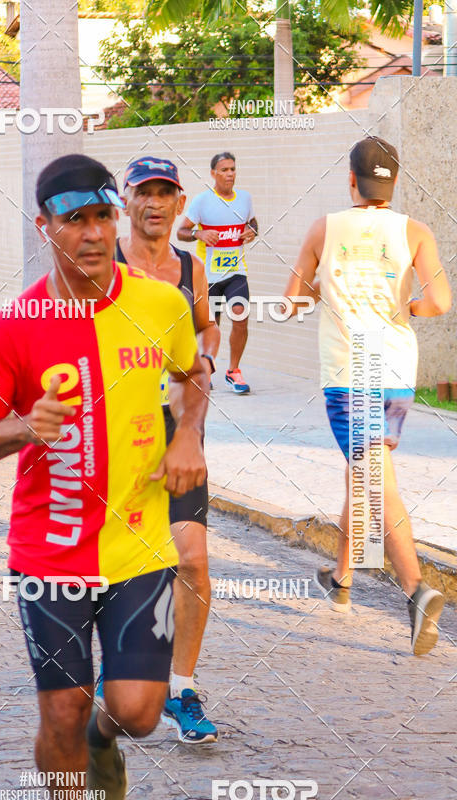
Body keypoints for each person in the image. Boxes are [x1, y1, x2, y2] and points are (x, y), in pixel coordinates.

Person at [0, 154, 209, 800]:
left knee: (138, 712)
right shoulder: (14, 327)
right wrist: (17, 426)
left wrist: (187, 433)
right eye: (76, 221)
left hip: (137, 541)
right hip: (50, 548)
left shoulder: (162, 304)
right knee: (62, 708)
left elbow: (192, 373)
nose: (95, 234)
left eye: (104, 216)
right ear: (47, 229)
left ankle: (107, 743)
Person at [283, 135, 451, 656]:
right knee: (367, 471)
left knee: (375, 479)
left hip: (349, 372)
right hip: (396, 371)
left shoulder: (323, 228)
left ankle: (415, 590)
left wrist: (325, 291)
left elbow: (292, 301)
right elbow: (440, 302)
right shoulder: (415, 231)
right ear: (394, 182)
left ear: (350, 179)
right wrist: (404, 310)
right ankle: (341, 578)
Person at [115, 156, 221, 743]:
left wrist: (203, 356)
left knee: (193, 562)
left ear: (181, 205)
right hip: (115, 437)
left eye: (166, 194)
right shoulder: (102, 267)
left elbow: (207, 327)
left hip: (180, 433)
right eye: (144, 193)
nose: (155, 203)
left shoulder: (190, 267)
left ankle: (182, 688)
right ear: (125, 201)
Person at [178, 151, 258, 394]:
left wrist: (252, 232)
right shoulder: (202, 201)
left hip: (236, 272)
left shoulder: (244, 199)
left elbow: (253, 223)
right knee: (210, 325)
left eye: (232, 169)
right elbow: (181, 231)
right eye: (224, 170)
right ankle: (205, 369)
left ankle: (233, 371)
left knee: (240, 315)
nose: (230, 174)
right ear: (213, 173)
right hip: (208, 276)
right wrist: (199, 234)